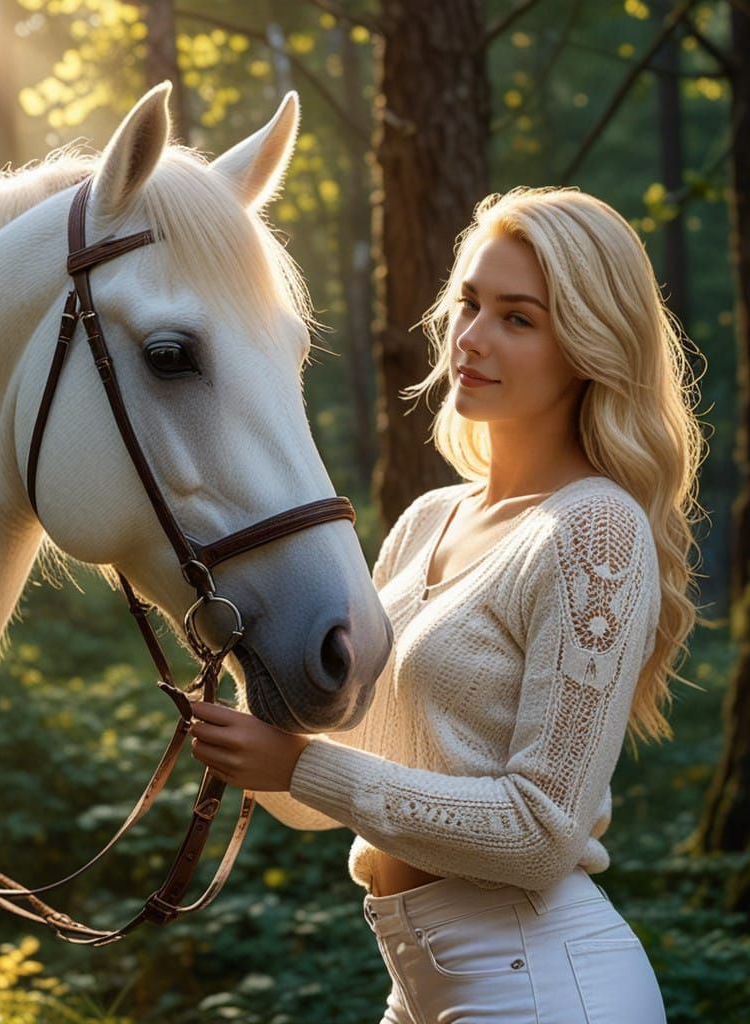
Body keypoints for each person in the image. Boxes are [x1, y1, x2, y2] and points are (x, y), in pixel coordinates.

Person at [189, 186, 704, 1023]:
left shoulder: (595, 530)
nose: (472, 338)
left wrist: (299, 764)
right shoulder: (432, 519)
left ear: (587, 346)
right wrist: (252, 674)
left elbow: (542, 834)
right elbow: (309, 797)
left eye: (518, 318)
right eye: (469, 303)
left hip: (543, 985)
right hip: (421, 986)